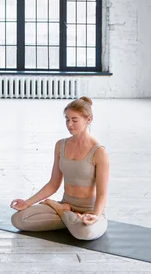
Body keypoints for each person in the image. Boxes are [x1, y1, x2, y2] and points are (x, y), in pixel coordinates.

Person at [9, 96, 110, 240]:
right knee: (19, 219)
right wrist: (27, 202)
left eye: (75, 120)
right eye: (67, 119)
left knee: (85, 233)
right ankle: (66, 214)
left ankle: (62, 212)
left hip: (89, 210)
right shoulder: (60, 145)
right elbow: (53, 184)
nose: (69, 124)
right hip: (66, 204)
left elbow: (102, 194)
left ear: (88, 120)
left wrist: (95, 215)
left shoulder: (99, 152)